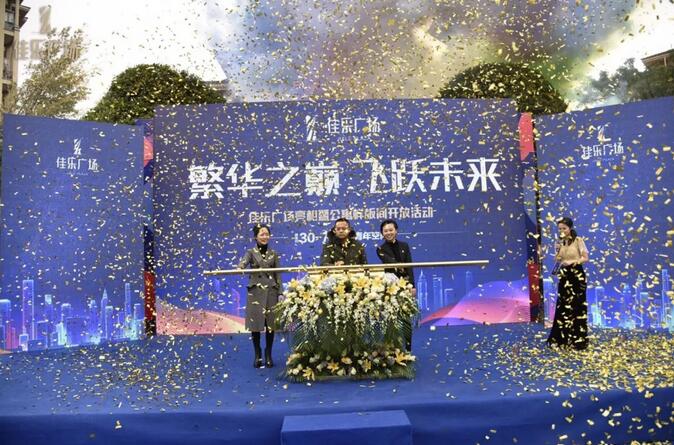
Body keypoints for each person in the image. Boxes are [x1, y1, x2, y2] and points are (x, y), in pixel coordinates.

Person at [238, 224, 282, 368]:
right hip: (256, 291)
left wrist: (280, 292)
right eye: (262, 234)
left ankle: (268, 353)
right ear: (256, 237)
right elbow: (243, 263)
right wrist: (240, 267)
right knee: (255, 325)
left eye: (267, 234)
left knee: (270, 325)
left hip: (271, 291)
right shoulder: (250, 252)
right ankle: (257, 354)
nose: (265, 237)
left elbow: (278, 274)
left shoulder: (273, 253)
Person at [547, 217, 590, 350]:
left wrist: (572, 262)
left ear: (570, 228)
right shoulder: (560, 242)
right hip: (565, 274)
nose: (562, 231)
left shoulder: (578, 240)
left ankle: (577, 339)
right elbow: (558, 260)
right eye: (559, 229)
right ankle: (561, 339)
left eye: (564, 228)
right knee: (563, 305)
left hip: (576, 274)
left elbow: (585, 258)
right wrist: (557, 252)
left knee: (577, 305)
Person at [377, 219, 415, 351]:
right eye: (385, 231)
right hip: (390, 288)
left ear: (396, 231)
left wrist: (412, 285)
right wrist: (400, 267)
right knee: (390, 318)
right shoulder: (380, 249)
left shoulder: (405, 246)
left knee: (406, 319)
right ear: (382, 233)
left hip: (406, 286)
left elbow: (409, 267)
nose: (388, 233)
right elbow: (390, 262)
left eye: (391, 230)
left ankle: (408, 349)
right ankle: (392, 349)